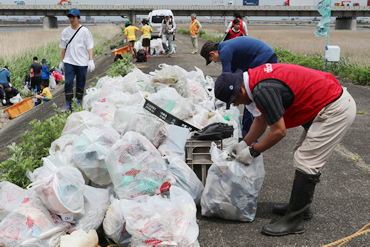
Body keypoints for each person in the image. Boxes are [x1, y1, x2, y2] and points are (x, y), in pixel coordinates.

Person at [214, 63, 356, 236]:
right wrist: (243, 144)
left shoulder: (262, 90)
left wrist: (253, 151)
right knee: (301, 152)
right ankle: (300, 207)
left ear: (240, 91)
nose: (236, 104)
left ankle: (294, 220)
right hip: (325, 102)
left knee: (306, 160)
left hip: (335, 108)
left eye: (234, 101)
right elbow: (261, 120)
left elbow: (279, 132)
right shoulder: (253, 82)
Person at [200, 37, 277, 137]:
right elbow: (234, 76)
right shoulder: (226, 48)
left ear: (212, 53)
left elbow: (226, 78)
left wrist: (222, 99)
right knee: (247, 95)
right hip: (262, 58)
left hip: (264, 58)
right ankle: (248, 135)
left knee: (249, 98)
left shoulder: (224, 51)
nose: (214, 62)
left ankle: (249, 137)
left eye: (212, 60)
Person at [59, 8, 95, 111]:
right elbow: (63, 48)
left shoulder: (85, 31)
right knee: (68, 83)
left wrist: (91, 60)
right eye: (70, 17)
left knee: (81, 83)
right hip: (69, 62)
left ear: (79, 18)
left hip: (82, 62)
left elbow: (89, 46)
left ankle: (78, 102)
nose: (71, 19)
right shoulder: (65, 32)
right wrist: (62, 61)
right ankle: (68, 104)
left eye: (74, 17)